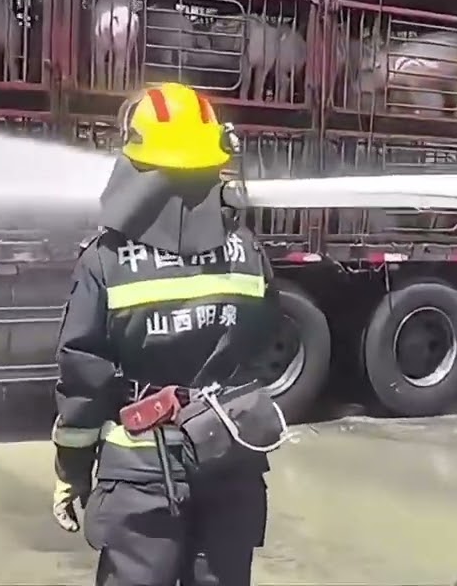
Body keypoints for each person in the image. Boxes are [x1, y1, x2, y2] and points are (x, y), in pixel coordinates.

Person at [49, 82, 281, 586]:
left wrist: (71, 471)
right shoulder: (247, 250)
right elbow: (266, 349)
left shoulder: (106, 261)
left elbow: (84, 377)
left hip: (140, 478)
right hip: (230, 457)